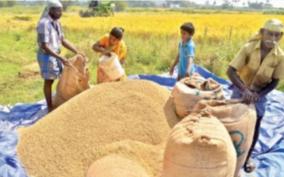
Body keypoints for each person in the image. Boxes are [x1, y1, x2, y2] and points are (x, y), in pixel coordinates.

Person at [227, 19, 284, 173]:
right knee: (232, 122)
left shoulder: (280, 57)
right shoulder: (249, 48)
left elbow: (275, 81)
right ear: (262, 32)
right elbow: (231, 71)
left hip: (260, 93)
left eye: (277, 35)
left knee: (256, 123)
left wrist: (259, 95)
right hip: (241, 88)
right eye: (269, 34)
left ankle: (247, 157)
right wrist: (244, 90)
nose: (272, 39)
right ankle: (228, 154)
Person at [37, 0, 81, 112]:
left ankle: (59, 99)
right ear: (50, 10)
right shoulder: (44, 23)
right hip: (47, 56)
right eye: (58, 11)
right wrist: (61, 58)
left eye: (61, 11)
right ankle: (49, 107)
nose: (60, 13)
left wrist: (76, 51)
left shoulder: (57, 23)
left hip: (55, 54)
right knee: (49, 81)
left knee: (62, 77)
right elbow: (45, 46)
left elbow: (62, 40)